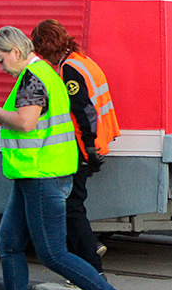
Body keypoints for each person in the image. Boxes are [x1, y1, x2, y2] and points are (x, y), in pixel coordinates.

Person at [0, 26, 136, 290]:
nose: (0, 67)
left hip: (42, 176)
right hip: (37, 174)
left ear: (16, 53)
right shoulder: (45, 72)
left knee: (53, 254)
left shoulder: (33, 78)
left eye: (1, 60)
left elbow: (26, 122)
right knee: (8, 242)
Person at [31, 19, 120, 275]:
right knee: (73, 203)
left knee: (71, 206)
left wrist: (89, 149)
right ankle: (89, 247)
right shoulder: (83, 60)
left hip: (83, 147)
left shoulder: (69, 69)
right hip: (94, 143)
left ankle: (91, 264)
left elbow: (83, 111)